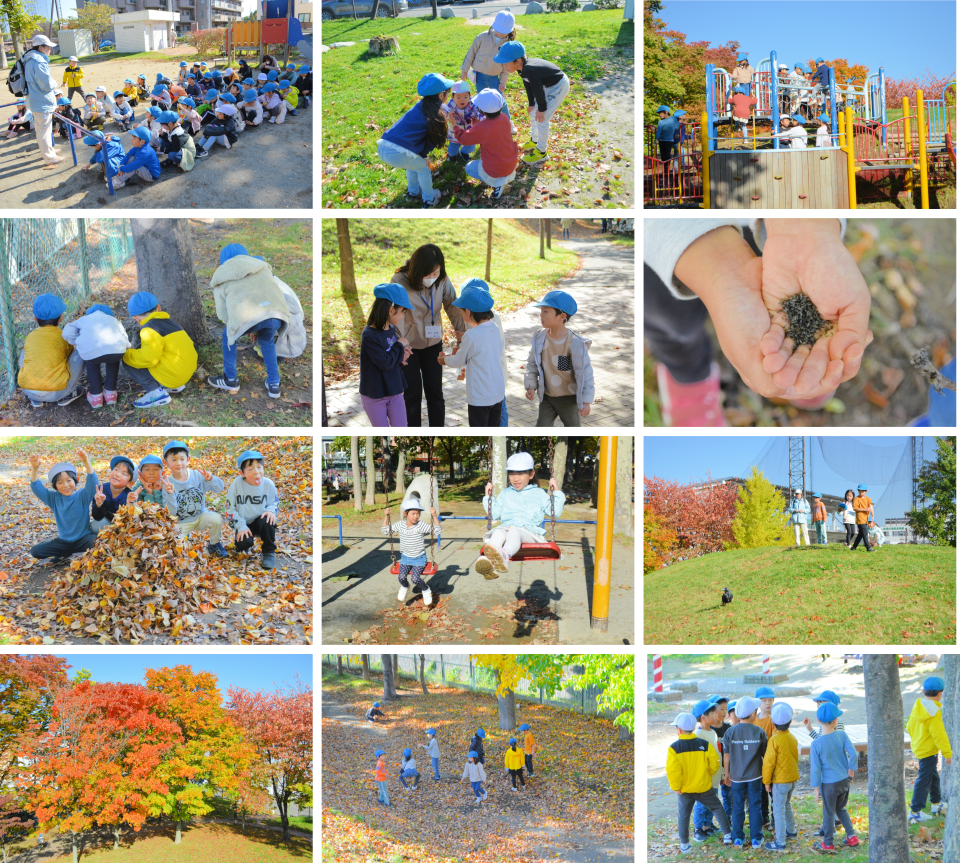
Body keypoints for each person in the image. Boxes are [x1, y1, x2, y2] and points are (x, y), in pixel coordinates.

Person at [643, 218, 873, 426]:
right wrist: (723, 272)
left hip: (771, 222)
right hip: (654, 240)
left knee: (766, 267)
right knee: (673, 325)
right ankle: (688, 376)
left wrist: (808, 227)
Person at [381, 498, 441, 606]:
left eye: (418, 514)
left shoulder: (420, 525)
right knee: (401, 577)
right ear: (405, 513)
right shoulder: (400, 525)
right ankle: (405, 586)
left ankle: (426, 590)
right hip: (405, 558)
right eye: (413, 513)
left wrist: (434, 516)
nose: (416, 516)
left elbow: (437, 530)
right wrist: (386, 516)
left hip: (419, 558)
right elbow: (385, 531)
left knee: (415, 578)